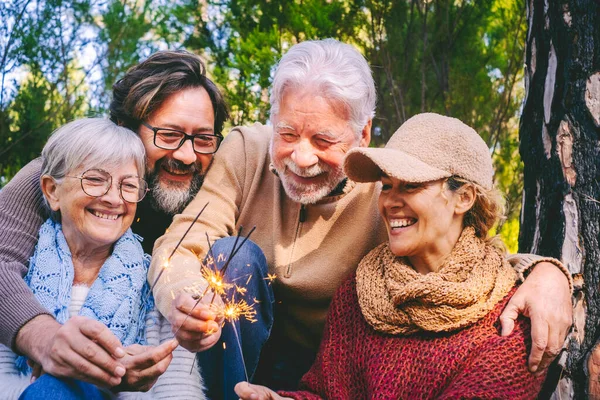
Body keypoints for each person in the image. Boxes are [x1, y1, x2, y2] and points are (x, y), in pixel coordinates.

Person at [151, 39, 573, 399]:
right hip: (239, 354)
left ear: (363, 135)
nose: (301, 157)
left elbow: (465, 254)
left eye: (323, 140)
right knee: (232, 258)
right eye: (287, 133)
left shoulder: (387, 186)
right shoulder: (245, 151)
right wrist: (186, 302)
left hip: (322, 370)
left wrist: (547, 272)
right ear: (272, 119)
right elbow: (183, 242)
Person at [234, 113, 552, 400]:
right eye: (386, 186)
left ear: (464, 198)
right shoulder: (358, 294)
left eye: (411, 185)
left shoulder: (510, 319)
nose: (390, 202)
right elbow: (325, 393)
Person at [0, 50, 228, 391]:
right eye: (168, 135)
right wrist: (47, 339)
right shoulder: (61, 175)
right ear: (126, 128)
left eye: (203, 139)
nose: (186, 155)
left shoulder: (214, 194)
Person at [0, 118, 203, 399]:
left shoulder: (156, 283)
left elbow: (179, 392)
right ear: (51, 190)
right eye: (95, 180)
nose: (113, 198)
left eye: (128, 186)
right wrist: (68, 376)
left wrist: (114, 381)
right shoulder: (20, 278)